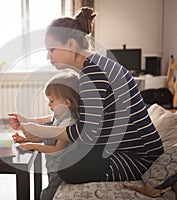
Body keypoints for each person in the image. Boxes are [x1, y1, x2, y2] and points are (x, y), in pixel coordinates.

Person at [9, 7, 164, 185]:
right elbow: (79, 120)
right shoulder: (94, 66)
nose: (47, 56)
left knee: (67, 168)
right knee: (68, 151)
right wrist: (34, 125)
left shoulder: (93, 73)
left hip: (138, 156)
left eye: (52, 49)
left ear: (71, 44)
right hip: (120, 145)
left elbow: (85, 133)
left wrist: (37, 129)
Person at [9, 72, 80, 200]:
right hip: (53, 167)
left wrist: (33, 145)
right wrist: (26, 138)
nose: (49, 104)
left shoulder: (68, 123)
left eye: (52, 101)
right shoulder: (59, 116)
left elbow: (57, 149)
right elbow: (48, 137)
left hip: (60, 169)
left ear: (67, 103)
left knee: (47, 195)